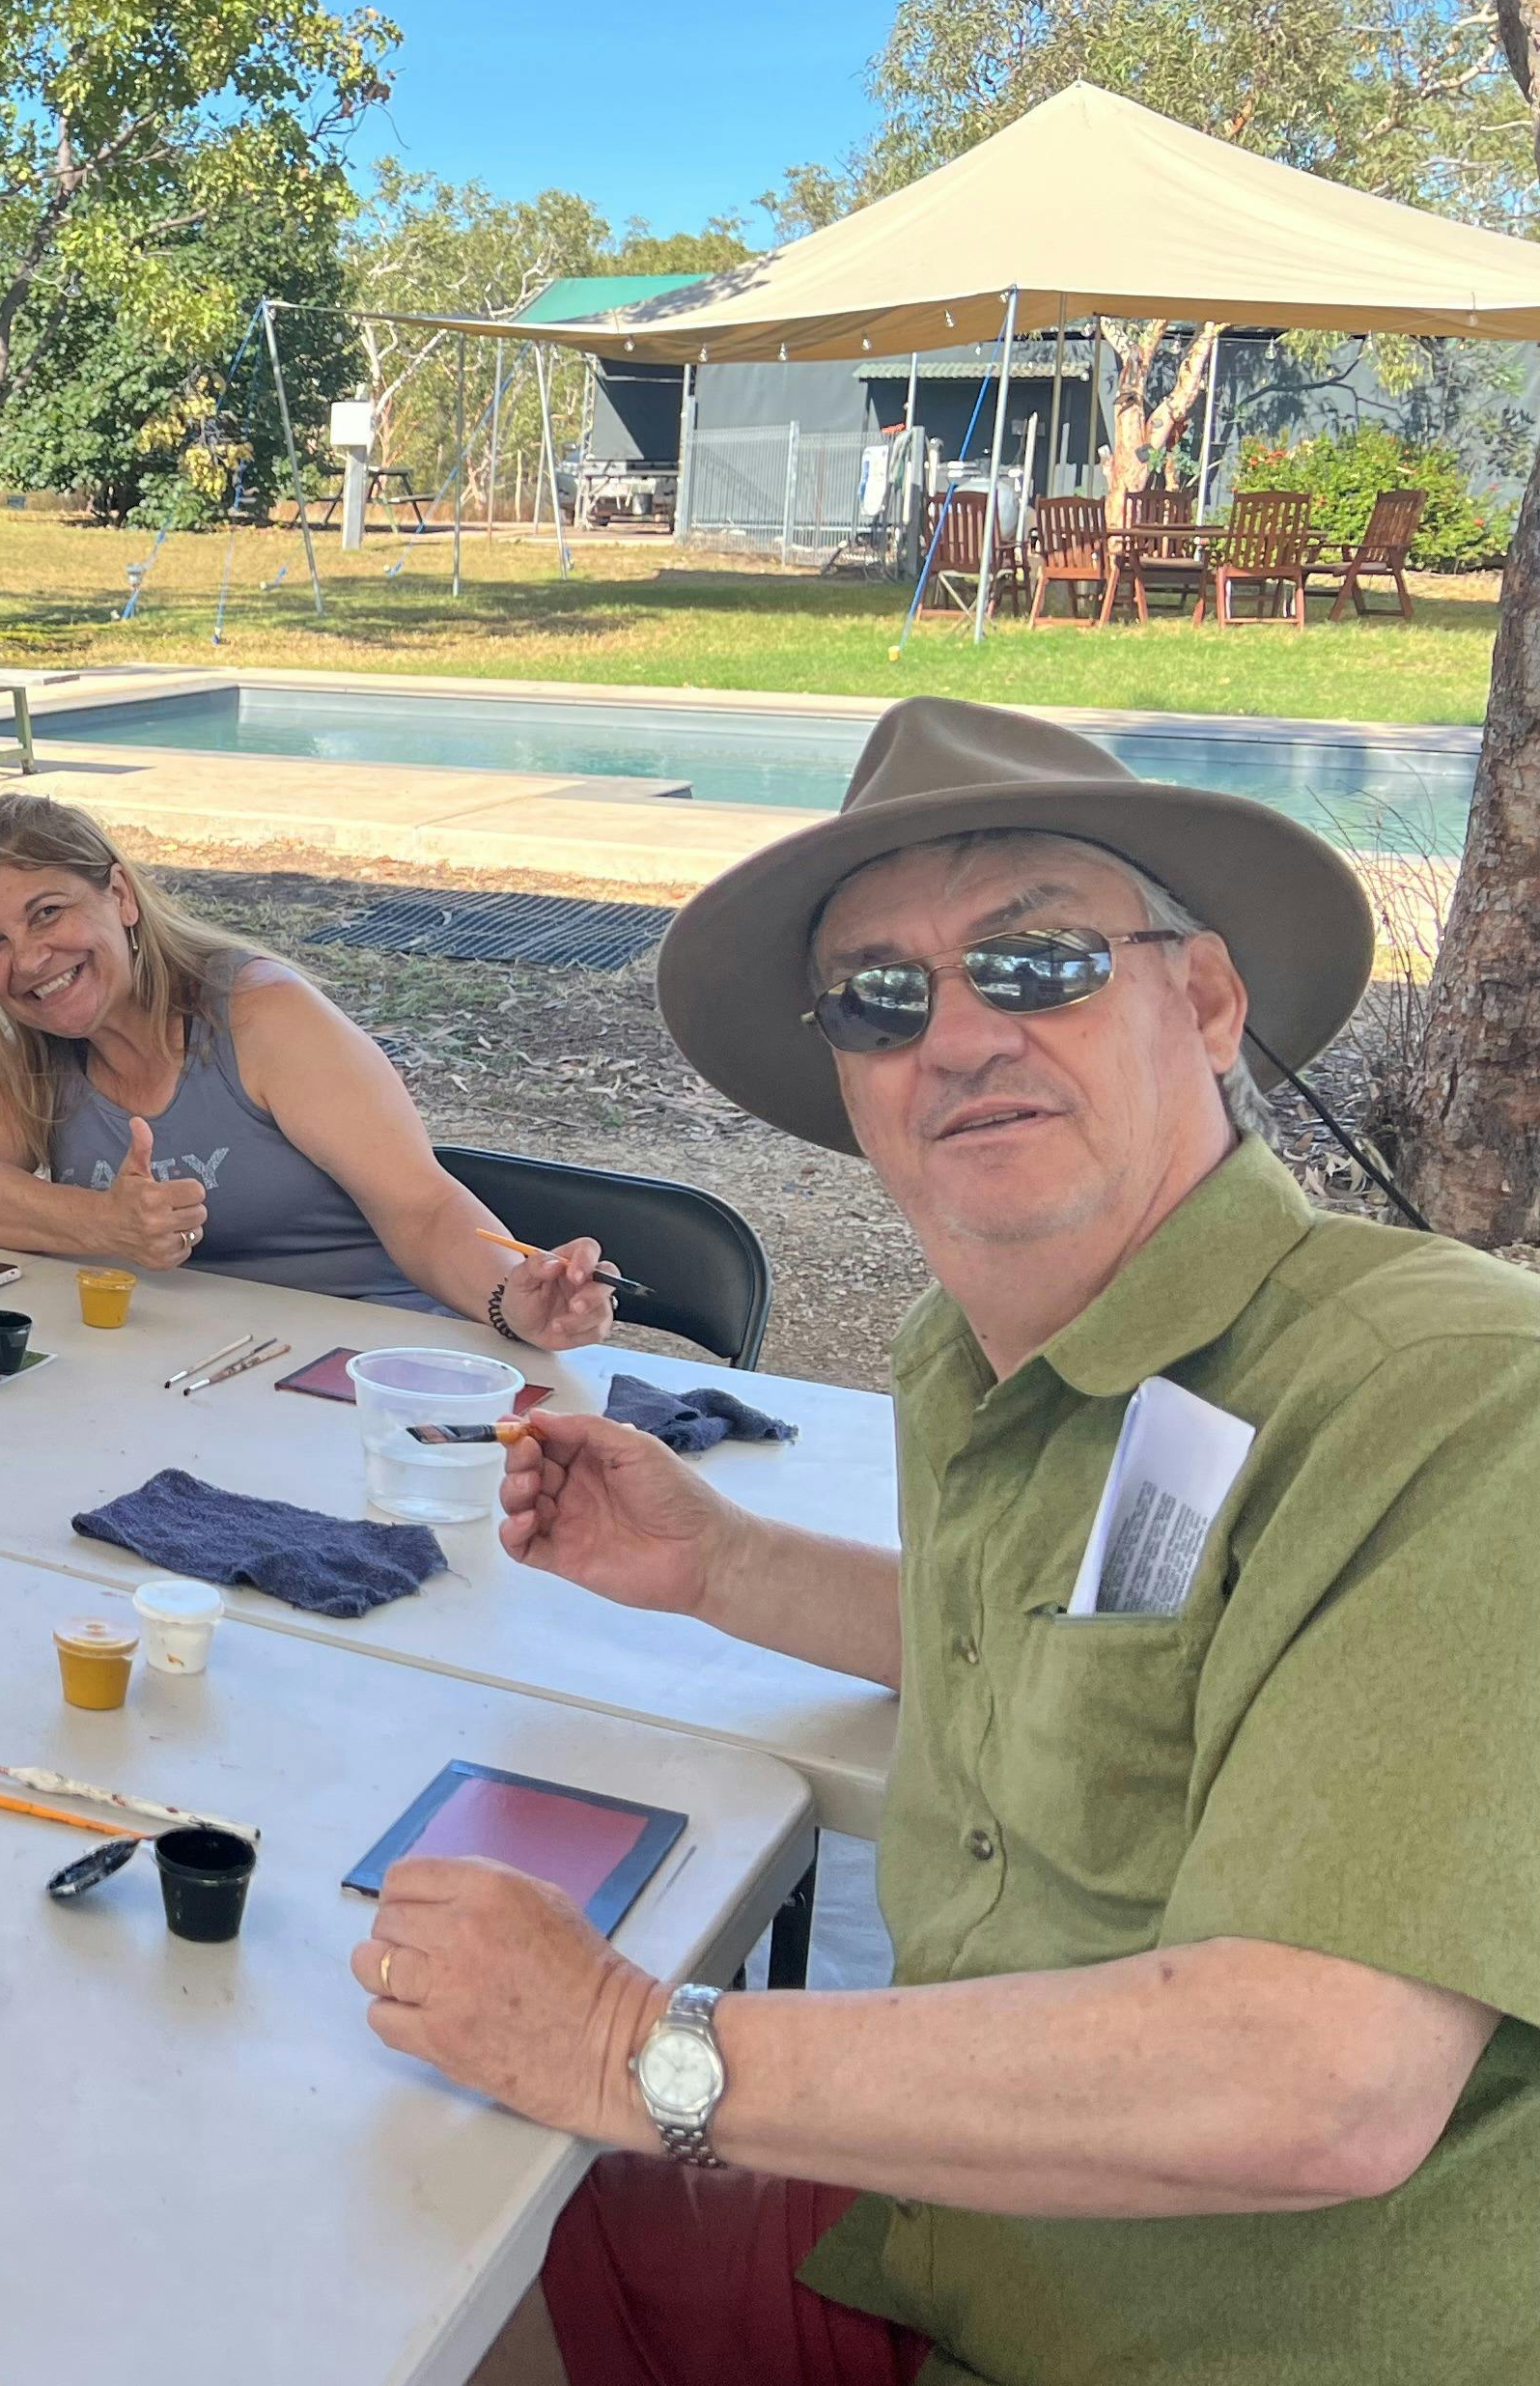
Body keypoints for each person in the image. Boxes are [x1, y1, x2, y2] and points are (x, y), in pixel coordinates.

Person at [365, 697, 1540, 2386]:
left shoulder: (1445, 1394)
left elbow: (1320, 2078)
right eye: (881, 996)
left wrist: (633, 2042)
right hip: (958, 2231)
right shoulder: (978, 1357)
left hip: (1229, 2329)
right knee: (407, 2242)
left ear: (1206, 1000)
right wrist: (725, 1563)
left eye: (1038, 962)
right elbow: (1092, 1652)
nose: (962, 1035)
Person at [0, 793, 613, 1341]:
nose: (28, 960)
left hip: (352, 1362)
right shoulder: (42, 1046)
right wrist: (103, 1222)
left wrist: (512, 1301)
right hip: (170, 1363)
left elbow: (423, 1208)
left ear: (121, 896)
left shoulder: (259, 1011)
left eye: (47, 913)